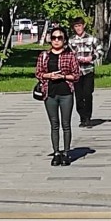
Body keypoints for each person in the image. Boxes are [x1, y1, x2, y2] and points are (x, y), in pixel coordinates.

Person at [35, 28, 81, 166]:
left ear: (64, 40)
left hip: (66, 92)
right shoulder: (44, 55)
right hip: (50, 93)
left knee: (66, 124)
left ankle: (66, 153)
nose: (56, 40)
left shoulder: (70, 56)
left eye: (59, 38)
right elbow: (38, 73)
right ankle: (56, 153)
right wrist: (49, 75)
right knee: (54, 125)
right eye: (54, 37)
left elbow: (76, 75)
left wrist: (63, 76)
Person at [69, 17, 102, 128]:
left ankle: (88, 117)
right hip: (77, 72)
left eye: (80, 25)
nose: (78, 28)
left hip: (88, 70)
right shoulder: (71, 40)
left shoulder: (92, 39)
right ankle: (82, 117)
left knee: (87, 94)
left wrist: (91, 57)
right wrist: (75, 59)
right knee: (78, 96)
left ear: (84, 26)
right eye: (76, 26)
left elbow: (100, 51)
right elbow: (68, 54)